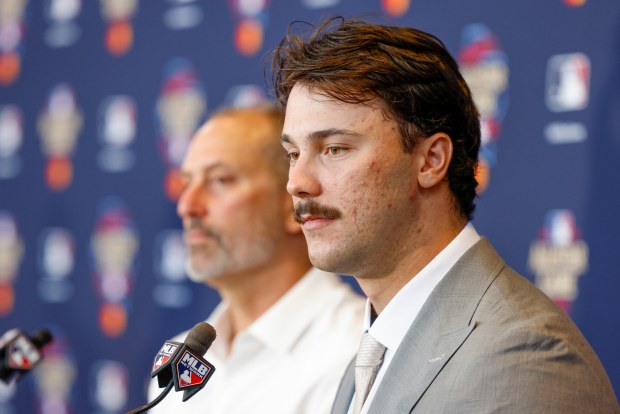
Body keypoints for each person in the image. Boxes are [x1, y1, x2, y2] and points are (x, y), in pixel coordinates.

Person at [272, 17, 619, 414]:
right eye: (293, 154)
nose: (296, 183)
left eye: (334, 148)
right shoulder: (377, 343)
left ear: (431, 161)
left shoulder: (525, 360)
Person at [147, 104, 365, 413]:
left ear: (294, 202)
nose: (187, 206)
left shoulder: (357, 353)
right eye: (187, 183)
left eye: (220, 180)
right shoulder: (179, 358)